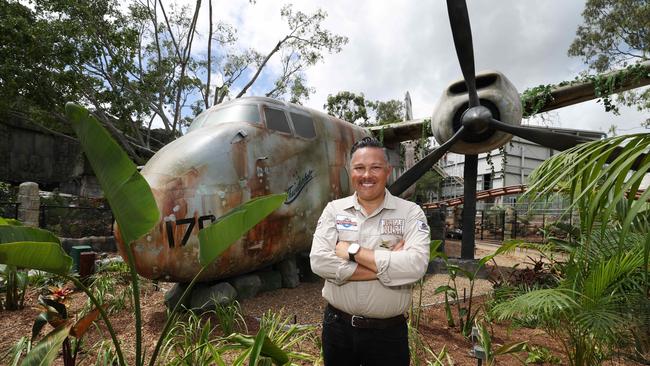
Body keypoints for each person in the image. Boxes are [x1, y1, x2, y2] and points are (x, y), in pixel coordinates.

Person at [310, 136, 430, 366]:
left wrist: (352, 251)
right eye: (359, 168)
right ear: (350, 171)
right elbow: (319, 262)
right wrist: (389, 265)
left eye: (375, 167)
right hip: (338, 330)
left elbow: (416, 266)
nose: (367, 175)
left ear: (388, 171)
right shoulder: (334, 211)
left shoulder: (410, 213)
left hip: (388, 335)